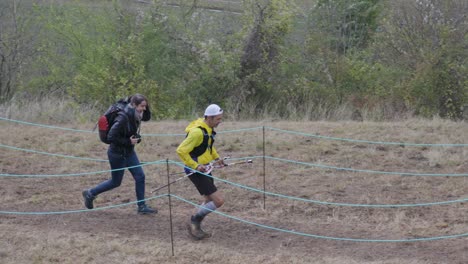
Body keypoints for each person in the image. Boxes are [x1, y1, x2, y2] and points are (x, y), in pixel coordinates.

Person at [82, 94, 157, 215]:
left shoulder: (137, 114)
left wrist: (146, 107)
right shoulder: (123, 117)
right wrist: (128, 141)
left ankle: (142, 206)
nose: (144, 109)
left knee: (140, 176)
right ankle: (90, 193)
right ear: (133, 105)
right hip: (116, 153)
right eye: (142, 106)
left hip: (129, 152)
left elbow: (147, 117)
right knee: (115, 182)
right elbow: (111, 137)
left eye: (145, 106)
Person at [176, 104, 226, 240]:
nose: (220, 121)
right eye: (218, 119)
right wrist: (196, 166)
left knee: (209, 199)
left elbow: (208, 146)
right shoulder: (197, 132)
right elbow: (181, 150)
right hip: (196, 170)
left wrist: (217, 158)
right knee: (219, 201)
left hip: (205, 167)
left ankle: (194, 225)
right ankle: (194, 221)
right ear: (209, 117)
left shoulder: (207, 128)